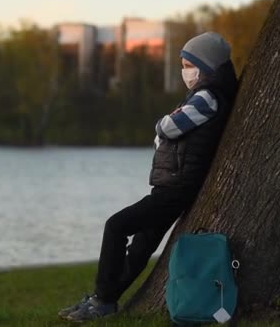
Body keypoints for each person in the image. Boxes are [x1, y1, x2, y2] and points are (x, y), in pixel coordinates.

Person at [58, 32, 239, 323]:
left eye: (187, 64)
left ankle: (103, 300)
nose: (184, 71)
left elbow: (168, 127)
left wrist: (161, 123)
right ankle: (105, 299)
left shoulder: (207, 97)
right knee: (140, 248)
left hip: (176, 188)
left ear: (204, 65)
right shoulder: (205, 94)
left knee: (116, 226)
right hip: (173, 185)